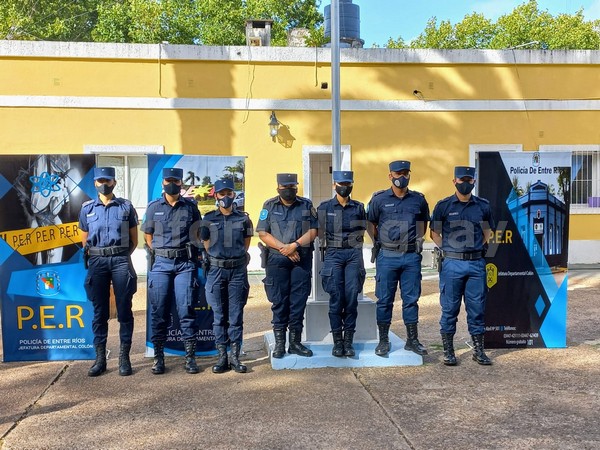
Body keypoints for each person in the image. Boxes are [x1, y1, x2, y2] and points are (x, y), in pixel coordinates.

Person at [430, 166, 495, 366]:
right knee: (450, 308)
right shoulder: (443, 206)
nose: (465, 183)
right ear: (454, 181)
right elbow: (434, 233)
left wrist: (476, 248)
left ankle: (478, 351)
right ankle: (449, 351)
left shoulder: (483, 206)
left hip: (476, 264)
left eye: (469, 180)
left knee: (477, 309)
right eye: (461, 180)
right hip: (452, 264)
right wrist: (449, 249)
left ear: (474, 181)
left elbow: (487, 232)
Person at [367, 160, 430, 357]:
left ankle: (412, 340)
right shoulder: (379, 200)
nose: (402, 177)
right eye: (398, 174)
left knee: (411, 300)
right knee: (385, 299)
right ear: (390, 176)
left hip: (411, 256)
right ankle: (383, 340)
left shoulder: (418, 200)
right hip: (387, 255)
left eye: (405, 173)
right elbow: (371, 223)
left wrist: (416, 240)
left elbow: (422, 224)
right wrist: (380, 241)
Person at [79, 167, 138, 377]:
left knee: (124, 310)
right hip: (97, 262)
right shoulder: (87, 209)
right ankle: (100, 359)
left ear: (114, 182)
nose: (104, 184)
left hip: (121, 260)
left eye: (108, 180)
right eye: (100, 181)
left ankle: (124, 358)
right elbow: (84, 240)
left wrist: (118, 255)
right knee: (99, 312)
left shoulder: (126, 207)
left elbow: (134, 240)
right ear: (95, 183)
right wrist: (100, 255)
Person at [142, 167, 201, 375]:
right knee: (159, 311)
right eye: (169, 181)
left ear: (181, 183)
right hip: (161, 265)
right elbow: (148, 235)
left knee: (186, 310)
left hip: (184, 264)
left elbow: (198, 233)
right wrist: (159, 251)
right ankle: (158, 358)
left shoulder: (191, 207)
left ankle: (190, 358)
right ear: (163, 183)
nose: (172, 184)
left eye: (176, 181)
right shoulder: (153, 207)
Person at [257, 173, 318, 358]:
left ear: (296, 187)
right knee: (279, 302)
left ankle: (295, 343)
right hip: (277, 261)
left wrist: (295, 245)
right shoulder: (269, 205)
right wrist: (285, 248)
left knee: (298, 301)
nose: (289, 190)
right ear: (278, 188)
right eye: (285, 187)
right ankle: (280, 344)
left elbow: (314, 230)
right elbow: (263, 233)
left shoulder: (306, 204)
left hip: (301, 260)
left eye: (292, 187)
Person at [201, 178, 253, 374]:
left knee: (236, 315)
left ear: (234, 195)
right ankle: (222, 357)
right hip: (216, 271)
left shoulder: (244, 219)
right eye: (221, 194)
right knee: (219, 316)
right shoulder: (208, 219)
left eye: (229, 193)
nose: (225, 197)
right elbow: (206, 244)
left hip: (237, 271)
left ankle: (235, 357)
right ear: (216, 195)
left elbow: (246, 244)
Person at [317, 171, 367, 357]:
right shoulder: (324, 207)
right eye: (341, 184)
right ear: (334, 185)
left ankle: (348, 341)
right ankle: (337, 341)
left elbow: (362, 229)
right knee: (336, 297)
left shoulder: (359, 207)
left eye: (347, 184)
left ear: (352, 185)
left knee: (351, 297)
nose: (344, 187)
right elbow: (319, 231)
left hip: (354, 253)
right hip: (333, 253)